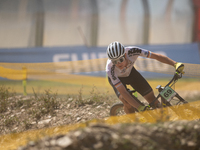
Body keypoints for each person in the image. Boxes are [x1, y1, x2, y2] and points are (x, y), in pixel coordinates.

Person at [105, 41, 184, 114]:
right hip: (119, 79)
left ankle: (163, 119)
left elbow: (155, 56)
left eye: (121, 59)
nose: (118, 64)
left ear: (125, 54)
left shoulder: (133, 51)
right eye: (115, 61)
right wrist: (139, 107)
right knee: (127, 102)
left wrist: (175, 64)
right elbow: (123, 92)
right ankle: (132, 123)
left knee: (152, 99)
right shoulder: (109, 69)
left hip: (131, 73)